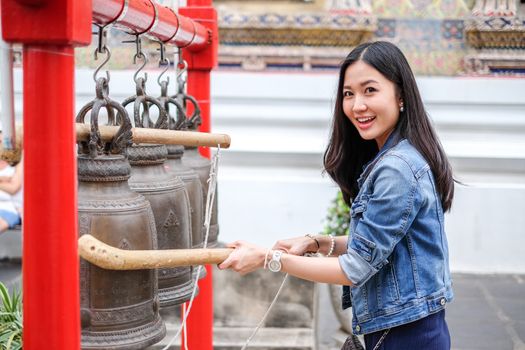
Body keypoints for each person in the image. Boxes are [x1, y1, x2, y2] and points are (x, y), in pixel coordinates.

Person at [218, 41, 454, 349]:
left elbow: (354, 268)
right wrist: (318, 243)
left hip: (407, 336)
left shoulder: (397, 169)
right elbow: (378, 245)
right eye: (348, 93)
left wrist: (268, 258)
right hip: (407, 328)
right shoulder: (396, 158)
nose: (357, 105)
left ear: (401, 96)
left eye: (370, 90)